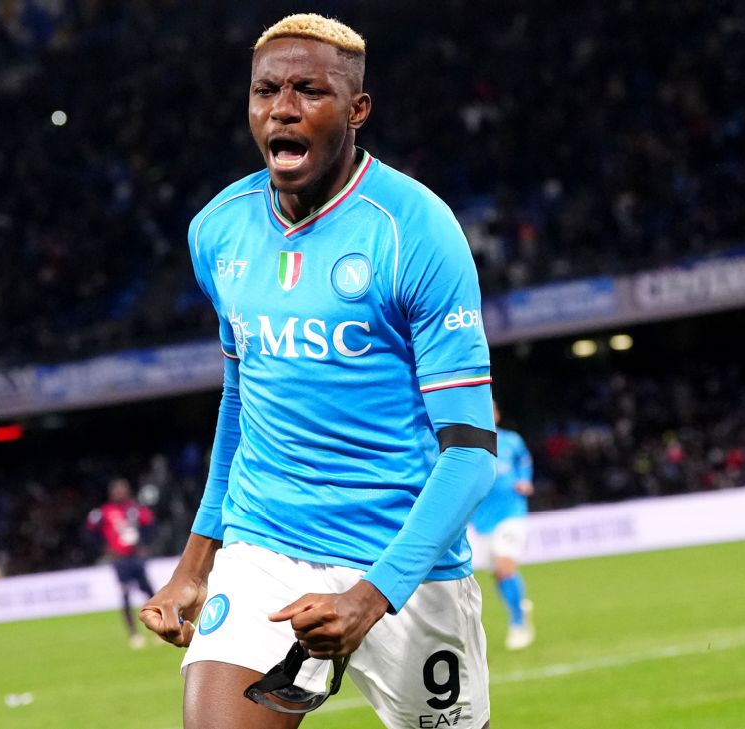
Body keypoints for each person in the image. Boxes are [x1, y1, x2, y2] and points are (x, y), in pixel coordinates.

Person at [139, 13, 498, 729]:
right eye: (265, 90)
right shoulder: (218, 229)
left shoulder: (415, 230)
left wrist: (371, 596)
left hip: (401, 564)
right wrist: (195, 564)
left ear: (357, 109)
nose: (283, 108)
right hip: (264, 546)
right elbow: (241, 403)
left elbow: (470, 453)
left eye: (309, 91)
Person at [469, 401, 535, 649]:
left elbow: (525, 461)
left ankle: (518, 622)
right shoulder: (468, 444)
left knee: (505, 567)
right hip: (482, 518)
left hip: (512, 512)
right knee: (498, 573)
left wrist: (525, 480)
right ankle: (518, 606)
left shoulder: (512, 440)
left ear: (496, 414)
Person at [87, 477, 156, 648]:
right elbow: (91, 532)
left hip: (136, 558)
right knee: (125, 595)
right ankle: (134, 634)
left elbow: (151, 525)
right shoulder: (104, 512)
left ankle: (159, 630)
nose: (119, 493)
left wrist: (145, 546)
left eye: (122, 490)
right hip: (120, 560)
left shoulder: (136, 509)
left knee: (150, 593)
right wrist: (105, 548)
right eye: (116, 490)